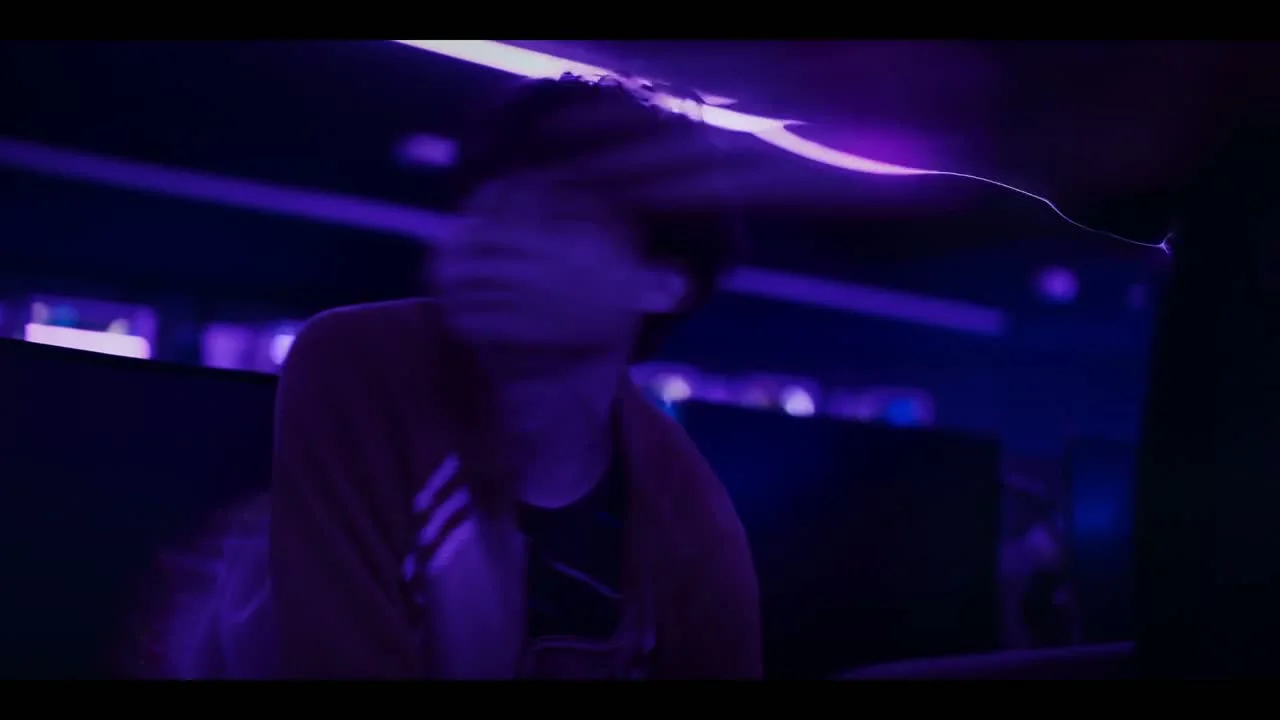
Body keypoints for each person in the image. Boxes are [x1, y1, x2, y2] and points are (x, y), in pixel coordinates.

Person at [159, 75, 760, 680]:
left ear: (661, 283)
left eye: (559, 218)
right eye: (486, 207)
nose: (493, 238)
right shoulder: (364, 364)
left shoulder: (686, 511)